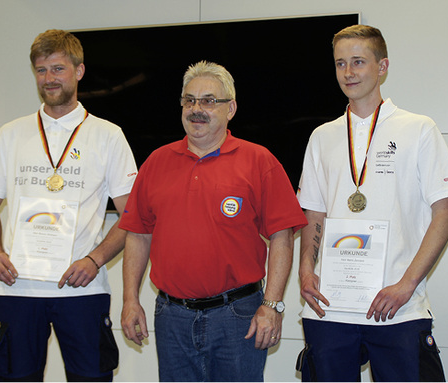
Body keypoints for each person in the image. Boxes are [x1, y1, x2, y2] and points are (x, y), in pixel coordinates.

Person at [119, 60, 307, 382]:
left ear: (230, 108)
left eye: (209, 101)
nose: (197, 109)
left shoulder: (259, 160)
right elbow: (138, 234)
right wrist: (129, 299)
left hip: (238, 316)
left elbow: (282, 236)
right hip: (171, 317)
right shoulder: (156, 162)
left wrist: (272, 305)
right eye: (189, 100)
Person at [296, 24, 448, 382]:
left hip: (398, 309)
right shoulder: (322, 136)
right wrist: (306, 271)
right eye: (340, 63)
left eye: (358, 61)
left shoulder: (418, 129)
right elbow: (314, 213)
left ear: (382, 67)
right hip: (331, 308)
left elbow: (445, 216)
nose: (348, 72)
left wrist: (406, 285)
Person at [0, 29, 137, 382]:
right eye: (41, 70)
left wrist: (94, 260)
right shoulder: (11, 134)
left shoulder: (108, 136)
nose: (49, 79)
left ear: (78, 71)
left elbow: (133, 215)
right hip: (17, 288)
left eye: (58, 69)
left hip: (82, 290)